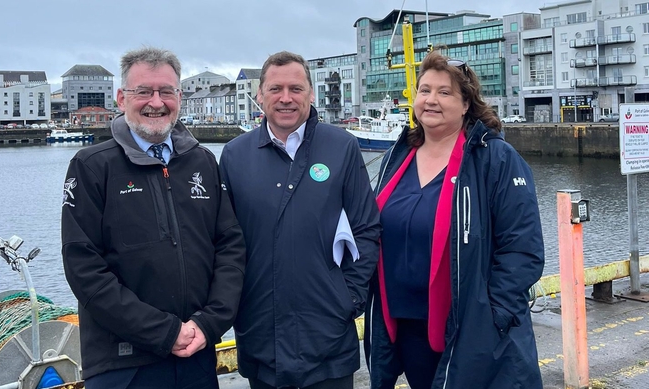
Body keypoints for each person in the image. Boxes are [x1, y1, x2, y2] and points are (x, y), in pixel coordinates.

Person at [61, 46, 246, 389]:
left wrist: (209, 323)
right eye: (143, 91)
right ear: (121, 98)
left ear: (179, 96)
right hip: (122, 365)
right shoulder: (91, 167)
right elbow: (83, 267)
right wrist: (164, 332)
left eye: (166, 92)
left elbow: (230, 246)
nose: (156, 102)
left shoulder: (202, 162)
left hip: (196, 356)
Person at [364, 50, 544, 388]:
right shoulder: (396, 157)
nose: (431, 100)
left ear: (466, 104)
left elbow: (523, 247)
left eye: (444, 92)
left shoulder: (495, 159)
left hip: (471, 331)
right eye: (425, 90)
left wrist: (494, 317)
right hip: (406, 329)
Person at [219, 51, 381, 389]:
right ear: (260, 95)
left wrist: (348, 298)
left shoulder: (342, 147)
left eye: (296, 88)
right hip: (261, 332)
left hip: (328, 334)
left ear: (311, 93)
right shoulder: (235, 155)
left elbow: (366, 228)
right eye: (275, 89)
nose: (286, 98)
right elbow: (223, 241)